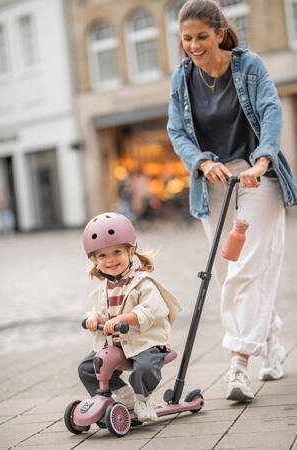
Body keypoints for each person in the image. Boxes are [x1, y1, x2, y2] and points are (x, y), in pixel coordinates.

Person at [167, 0, 297, 402]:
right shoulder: (182, 78)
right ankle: (270, 341)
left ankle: (238, 366)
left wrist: (262, 160)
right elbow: (178, 132)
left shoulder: (249, 65)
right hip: (215, 181)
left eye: (201, 37)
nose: (193, 45)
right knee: (228, 273)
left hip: (258, 178)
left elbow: (271, 112)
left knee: (248, 268)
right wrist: (203, 163)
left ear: (220, 33)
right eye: (186, 38)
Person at [78, 212, 182, 421]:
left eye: (117, 251)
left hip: (145, 343)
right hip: (117, 345)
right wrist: (94, 318)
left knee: (144, 367)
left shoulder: (143, 283)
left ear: (131, 251)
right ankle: (122, 394)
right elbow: (98, 309)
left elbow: (152, 310)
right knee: (87, 367)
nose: (110, 260)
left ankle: (142, 400)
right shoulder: (103, 288)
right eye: (102, 256)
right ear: (95, 260)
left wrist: (124, 318)